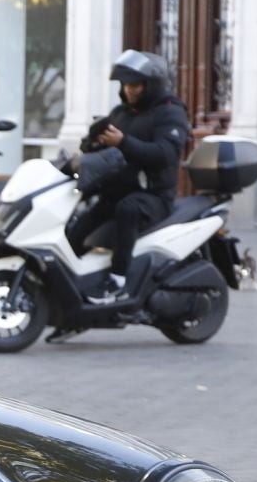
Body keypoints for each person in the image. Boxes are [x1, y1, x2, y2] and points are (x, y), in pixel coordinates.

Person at [80, 49, 191, 300]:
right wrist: (93, 143)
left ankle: (118, 281)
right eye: (126, 84)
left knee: (127, 210)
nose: (129, 90)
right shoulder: (122, 113)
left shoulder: (170, 112)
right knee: (79, 225)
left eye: (136, 85)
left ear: (151, 84)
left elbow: (165, 153)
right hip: (115, 192)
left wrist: (123, 142)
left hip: (152, 196)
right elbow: (92, 146)